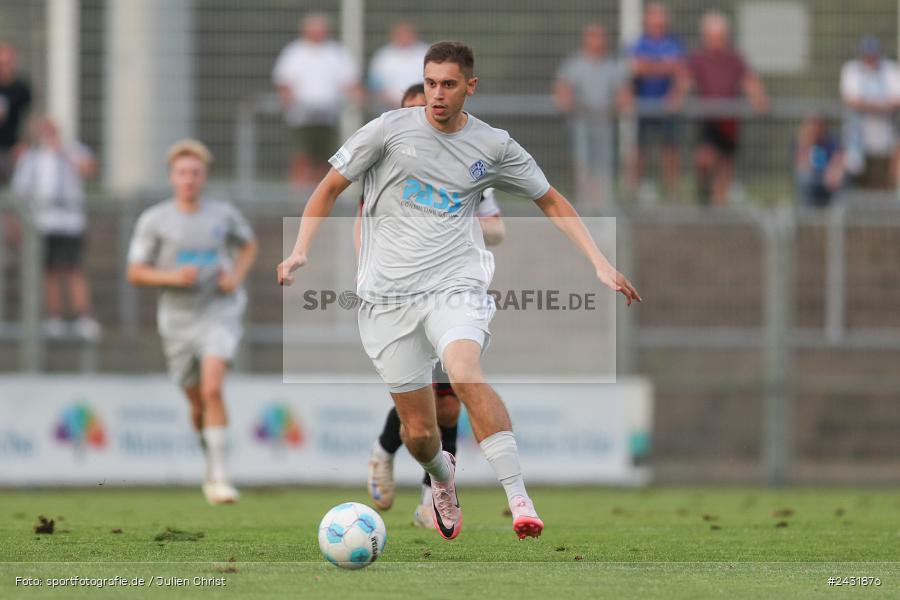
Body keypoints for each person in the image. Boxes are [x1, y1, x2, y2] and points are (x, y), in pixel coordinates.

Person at [278, 42, 640, 541]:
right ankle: (442, 477)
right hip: (387, 299)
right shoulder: (388, 130)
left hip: (455, 285)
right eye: (430, 83)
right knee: (422, 434)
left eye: (448, 84)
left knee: (465, 373)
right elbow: (327, 188)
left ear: (470, 86)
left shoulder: (493, 146)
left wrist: (600, 262)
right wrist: (300, 250)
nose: (437, 95)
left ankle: (519, 498)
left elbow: (551, 201)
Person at [359, 83, 506, 528]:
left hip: (447, 292)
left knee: (448, 404)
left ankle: (430, 500)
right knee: (418, 400)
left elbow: (497, 230)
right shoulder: (385, 163)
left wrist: (460, 221)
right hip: (397, 295)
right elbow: (362, 226)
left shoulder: (467, 167)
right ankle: (384, 451)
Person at [127, 140, 258, 505]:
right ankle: (209, 457)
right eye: (183, 173)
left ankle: (220, 476)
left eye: (195, 173)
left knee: (213, 387)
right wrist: (170, 277)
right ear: (172, 177)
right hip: (177, 322)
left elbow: (248, 246)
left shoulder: (222, 214)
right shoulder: (154, 220)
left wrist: (235, 277)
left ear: (204, 177)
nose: (189, 179)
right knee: (197, 402)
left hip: (219, 311)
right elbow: (135, 272)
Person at [11, 116, 100, 340]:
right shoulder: (32, 157)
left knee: (73, 269)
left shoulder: (73, 150)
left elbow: (88, 169)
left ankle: (82, 317)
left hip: (71, 222)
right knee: (49, 271)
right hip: (44, 222)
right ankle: (54, 317)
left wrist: (63, 152)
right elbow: (21, 190)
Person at [272, 14, 362, 189]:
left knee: (326, 160)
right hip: (301, 118)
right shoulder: (294, 52)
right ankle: (298, 199)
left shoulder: (336, 52)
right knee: (301, 157)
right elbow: (284, 82)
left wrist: (356, 96)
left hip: (328, 117)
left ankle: (320, 197)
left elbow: (351, 81)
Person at [687, 12, 767, 206]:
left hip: (729, 121)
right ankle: (704, 192)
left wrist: (758, 98)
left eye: (720, 37)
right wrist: (676, 96)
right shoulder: (699, 58)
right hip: (707, 119)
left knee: (725, 165)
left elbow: (750, 81)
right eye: (713, 37)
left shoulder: (735, 59)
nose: (717, 42)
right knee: (705, 158)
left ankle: (719, 210)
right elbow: (685, 79)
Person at [554, 23, 629, 210]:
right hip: (581, 126)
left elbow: (624, 94)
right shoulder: (574, 64)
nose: (597, 41)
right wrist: (571, 103)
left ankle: (603, 208)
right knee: (583, 166)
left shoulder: (613, 65)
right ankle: (584, 208)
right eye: (593, 36)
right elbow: (562, 92)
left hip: (604, 126)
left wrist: (615, 105)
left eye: (600, 36)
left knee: (603, 168)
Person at [626, 3, 688, 200]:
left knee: (670, 150)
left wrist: (652, 67)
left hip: (667, 109)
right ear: (647, 20)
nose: (658, 21)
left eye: (661, 17)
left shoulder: (674, 43)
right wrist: (665, 67)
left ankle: (672, 192)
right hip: (644, 106)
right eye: (654, 16)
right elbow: (636, 69)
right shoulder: (639, 43)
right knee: (639, 150)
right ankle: (633, 192)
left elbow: (681, 73)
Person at [840, 36, 900, 190]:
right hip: (858, 139)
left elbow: (896, 100)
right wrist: (881, 105)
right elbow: (851, 100)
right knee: (855, 176)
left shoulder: (890, 69)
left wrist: (867, 105)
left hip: (887, 138)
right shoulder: (852, 69)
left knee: (885, 182)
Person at [368, 22, 429, 110]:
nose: (404, 37)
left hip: (422, 105)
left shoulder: (425, 52)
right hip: (389, 107)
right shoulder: (383, 56)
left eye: (407, 34)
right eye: (401, 34)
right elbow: (376, 86)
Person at [0, 42, 32, 185]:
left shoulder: (21, 88)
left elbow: (30, 118)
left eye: (8, 62)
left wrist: (24, 143)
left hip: (13, 152)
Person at [795, 115, 843, 208]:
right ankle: (806, 212)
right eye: (812, 125)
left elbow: (838, 158)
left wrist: (832, 172)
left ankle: (837, 216)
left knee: (841, 180)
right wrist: (809, 143)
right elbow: (802, 165)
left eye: (818, 125)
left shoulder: (832, 141)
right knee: (803, 178)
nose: (815, 129)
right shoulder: (802, 142)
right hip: (812, 178)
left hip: (829, 178)